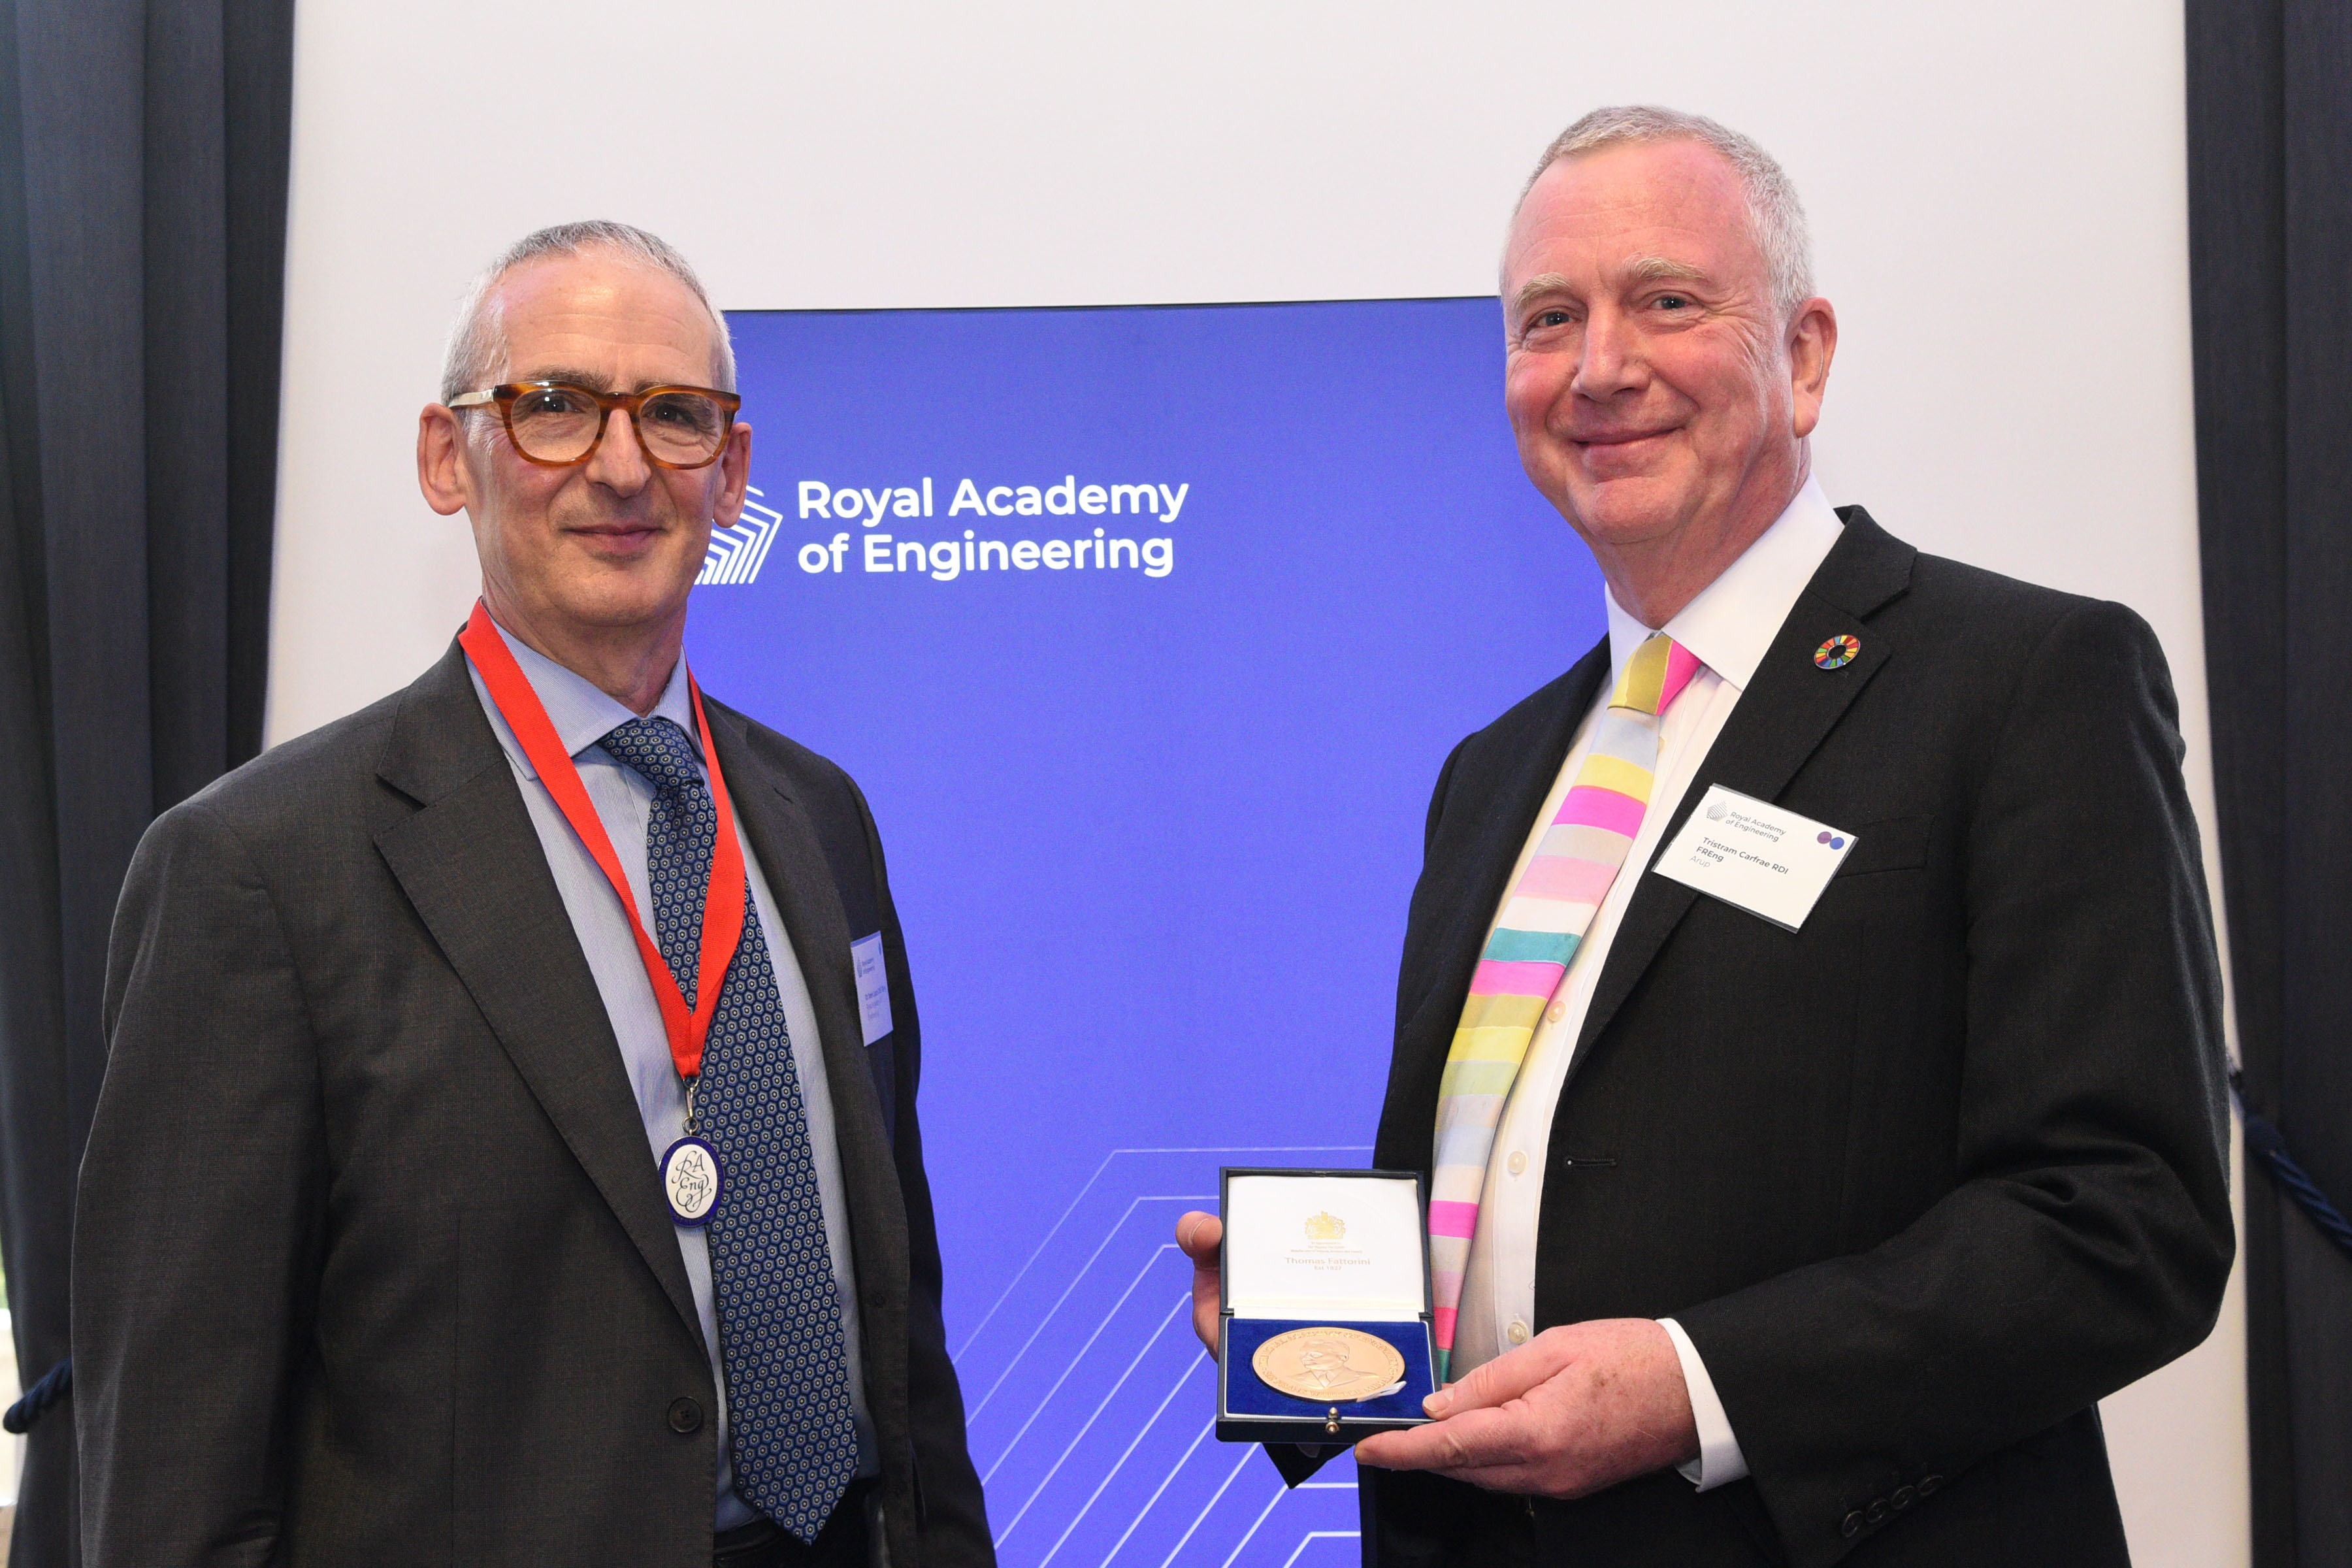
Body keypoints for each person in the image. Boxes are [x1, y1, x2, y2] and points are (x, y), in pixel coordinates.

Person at [1178, 107, 2232, 1566]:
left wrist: (1699, 1386)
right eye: (1550, 319)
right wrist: (1326, 1341)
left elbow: (2126, 1221)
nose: (1600, 368)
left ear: (1804, 356)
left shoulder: (2025, 683)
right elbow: (1524, 1207)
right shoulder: (1491, 773)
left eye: (1666, 302)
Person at [74, 223, 994, 1568]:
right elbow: (174, 1473)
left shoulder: (822, 819)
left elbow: (901, 1331)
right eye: (554, 406)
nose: (621, 467)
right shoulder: (258, 872)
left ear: (732, 469)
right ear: (448, 458)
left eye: (673, 415)